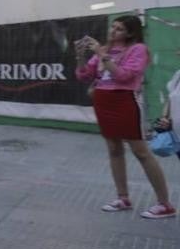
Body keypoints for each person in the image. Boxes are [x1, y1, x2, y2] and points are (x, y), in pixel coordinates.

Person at [75, 16, 175, 219]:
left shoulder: (138, 49)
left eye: (119, 29)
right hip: (103, 101)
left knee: (141, 152)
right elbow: (84, 76)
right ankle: (123, 198)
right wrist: (80, 57)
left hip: (124, 101)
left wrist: (102, 55)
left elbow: (123, 76)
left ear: (130, 33)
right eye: (113, 26)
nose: (113, 31)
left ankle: (165, 204)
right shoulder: (106, 49)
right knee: (114, 149)